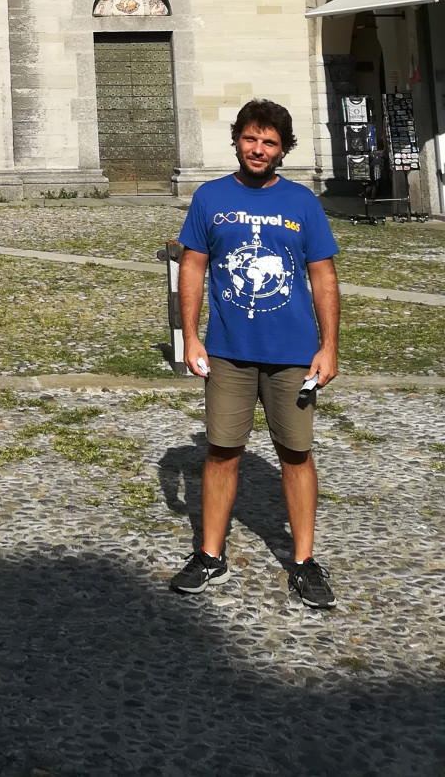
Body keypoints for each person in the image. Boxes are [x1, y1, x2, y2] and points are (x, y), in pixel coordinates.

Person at [168, 98, 340, 610]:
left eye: (269, 141)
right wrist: (191, 337)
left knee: (296, 454)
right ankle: (209, 554)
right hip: (228, 352)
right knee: (222, 451)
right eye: (250, 138)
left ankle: (304, 562)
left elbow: (323, 275)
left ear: (283, 148)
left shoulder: (303, 203)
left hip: (293, 354)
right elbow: (193, 267)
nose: (258, 149)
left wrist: (329, 347)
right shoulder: (210, 198)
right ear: (237, 140)